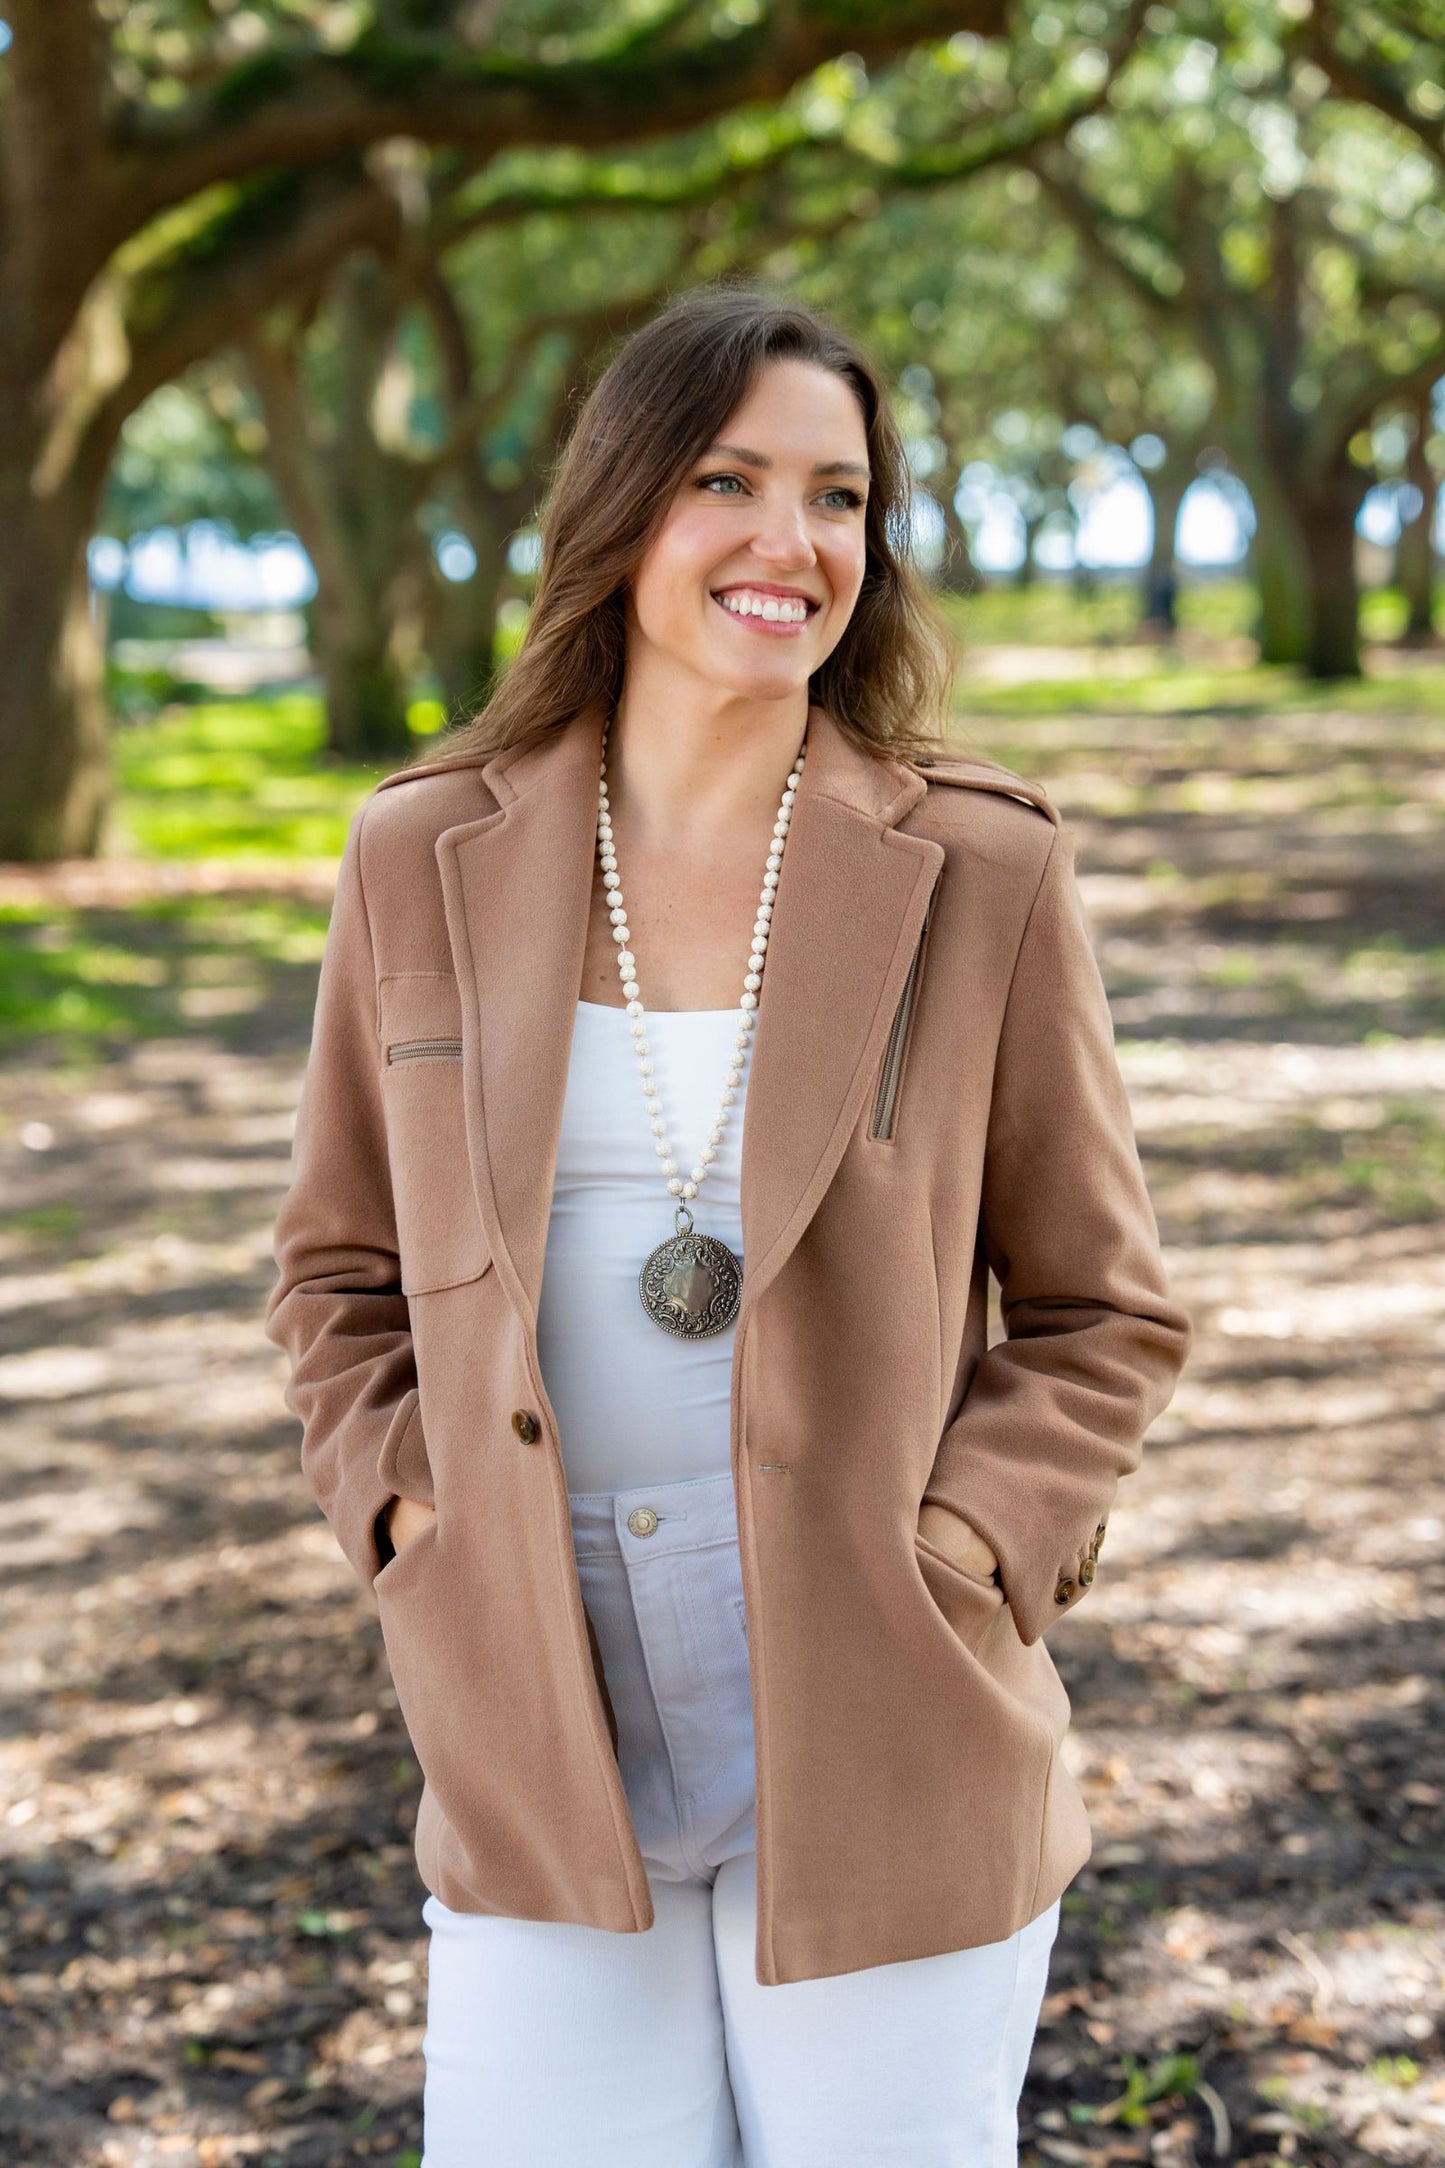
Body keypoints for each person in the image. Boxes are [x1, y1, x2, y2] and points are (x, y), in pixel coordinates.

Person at [265, 283, 1192, 2166]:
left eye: (840, 497)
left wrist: (961, 1549)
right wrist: (407, 1520)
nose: (794, 544)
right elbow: (337, 1273)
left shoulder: (979, 867)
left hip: (881, 1710)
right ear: (620, 515)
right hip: (535, 1719)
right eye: (728, 480)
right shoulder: (419, 854)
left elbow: (1103, 1313)